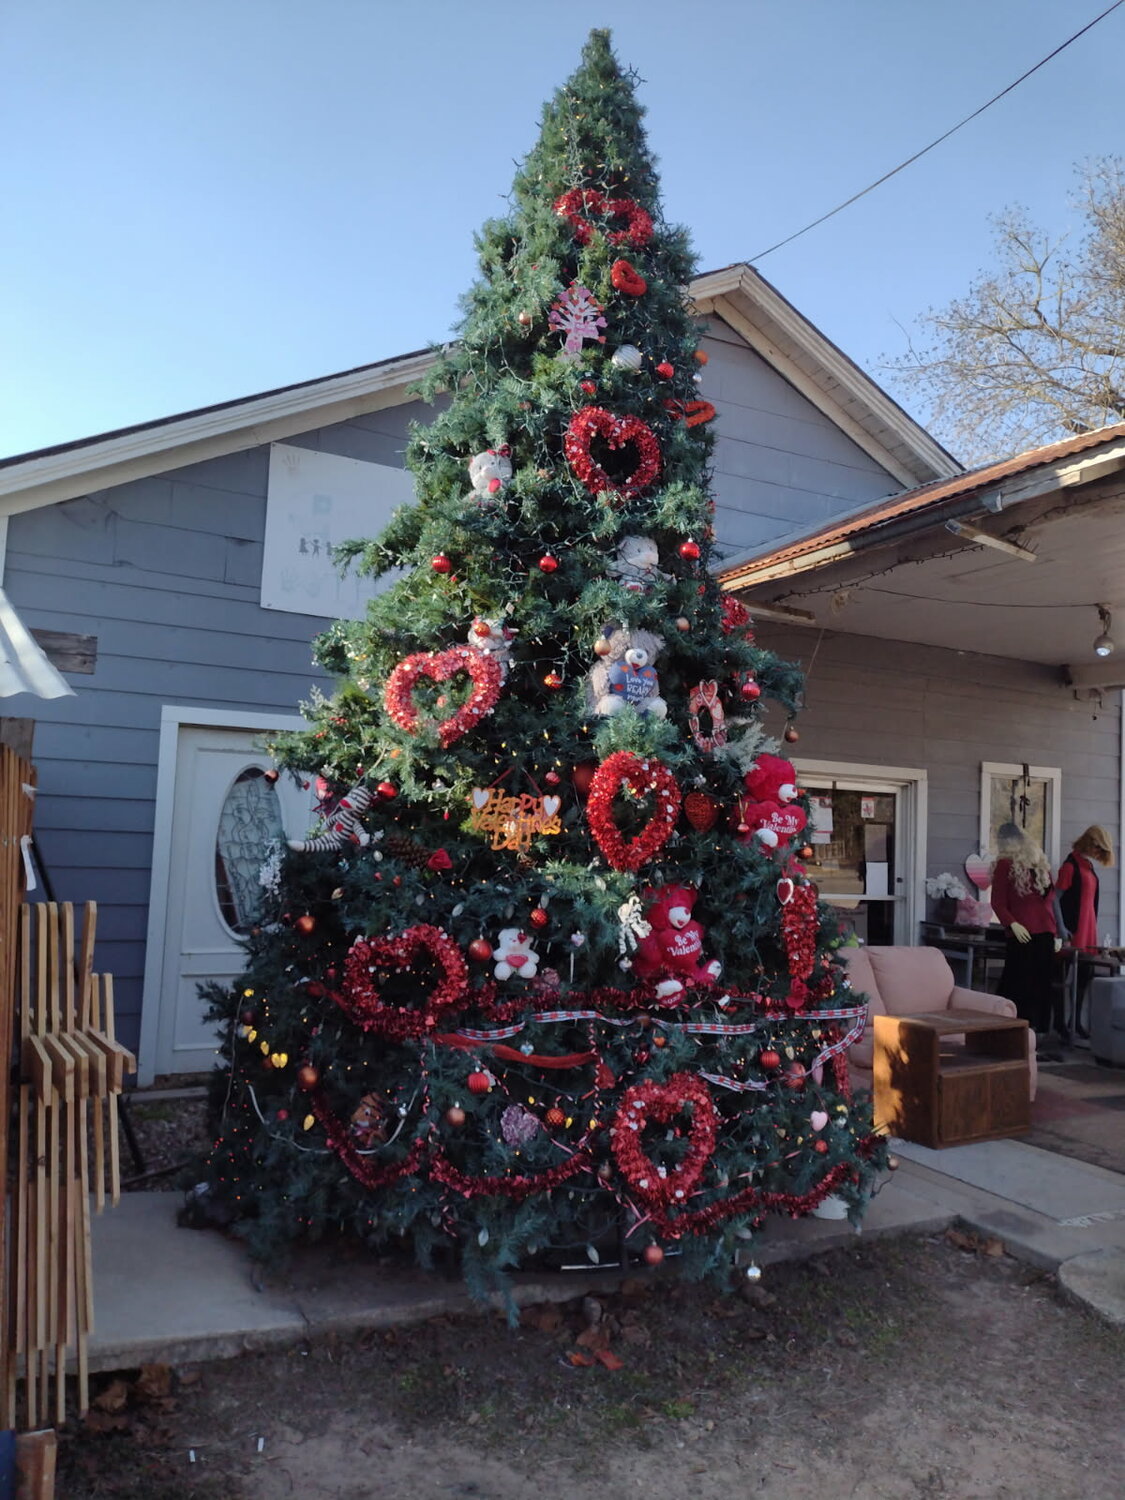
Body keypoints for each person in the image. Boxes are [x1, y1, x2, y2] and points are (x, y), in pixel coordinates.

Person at [990, 822, 1059, 1045]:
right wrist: (1012, 924)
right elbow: (998, 903)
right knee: (1019, 982)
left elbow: (1049, 904)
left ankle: (1037, 1035)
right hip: (1022, 934)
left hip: (1045, 934)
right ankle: (1012, 1032)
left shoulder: (1040, 865)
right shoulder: (1005, 865)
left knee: (1042, 985)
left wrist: (1056, 933)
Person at [1056, 824, 1114, 1039]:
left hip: (1089, 929)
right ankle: (1060, 1024)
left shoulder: (1088, 866)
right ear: (1089, 844)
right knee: (1061, 979)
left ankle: (1075, 1021)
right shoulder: (1070, 866)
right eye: (1097, 848)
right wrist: (1061, 928)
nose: (1098, 853)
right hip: (1073, 931)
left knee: (1083, 978)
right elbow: (1055, 899)